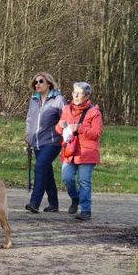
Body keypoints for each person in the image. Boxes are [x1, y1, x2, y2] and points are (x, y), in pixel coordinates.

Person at [56, 82, 103, 221]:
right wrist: (60, 126)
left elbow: (97, 133)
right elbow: (58, 130)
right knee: (67, 178)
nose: (75, 96)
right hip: (69, 151)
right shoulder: (66, 109)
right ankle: (75, 199)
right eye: (74, 92)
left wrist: (80, 128)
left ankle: (85, 210)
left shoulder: (94, 112)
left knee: (84, 181)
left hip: (87, 153)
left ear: (87, 96)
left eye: (79, 93)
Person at [24, 72, 66, 213]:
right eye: (35, 82)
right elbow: (30, 119)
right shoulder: (34, 99)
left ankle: (34, 203)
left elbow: (65, 119)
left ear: (49, 83)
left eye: (41, 81)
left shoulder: (58, 99)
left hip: (52, 142)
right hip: (36, 142)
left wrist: (64, 133)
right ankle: (53, 204)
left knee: (40, 168)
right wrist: (28, 135)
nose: (37, 84)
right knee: (46, 172)